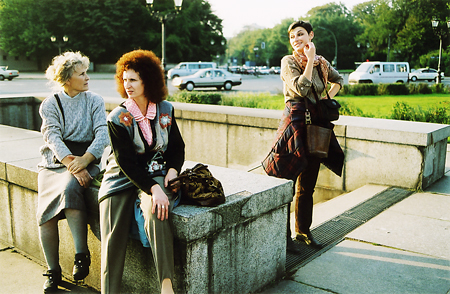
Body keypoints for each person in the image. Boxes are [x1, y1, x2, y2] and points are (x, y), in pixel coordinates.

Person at [98, 49, 185, 294]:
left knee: (158, 210)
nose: (127, 85)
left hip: (156, 171)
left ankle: (166, 286)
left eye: (133, 79)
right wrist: (154, 188)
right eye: (124, 79)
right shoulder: (118, 117)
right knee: (113, 231)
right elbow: (126, 162)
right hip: (120, 177)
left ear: (148, 80)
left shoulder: (166, 109)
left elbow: (177, 147)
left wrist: (173, 170)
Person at [37, 51, 109, 292]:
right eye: (81, 74)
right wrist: (71, 164)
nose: (87, 77)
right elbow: (53, 138)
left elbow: (102, 133)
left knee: (70, 188)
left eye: (86, 72)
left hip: (87, 156)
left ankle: (82, 256)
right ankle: (52, 271)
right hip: (56, 162)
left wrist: (85, 160)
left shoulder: (94, 100)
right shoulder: (50, 104)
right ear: (67, 79)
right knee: (45, 215)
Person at [280, 20, 344, 251]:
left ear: (310, 35)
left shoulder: (322, 62)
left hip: (316, 124)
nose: (296, 39)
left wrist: (327, 98)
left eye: (300, 34)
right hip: (295, 124)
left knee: (307, 184)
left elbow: (339, 80)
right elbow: (301, 87)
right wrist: (310, 61)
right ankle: (282, 236)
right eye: (292, 37)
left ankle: (303, 232)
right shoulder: (288, 61)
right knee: (287, 183)